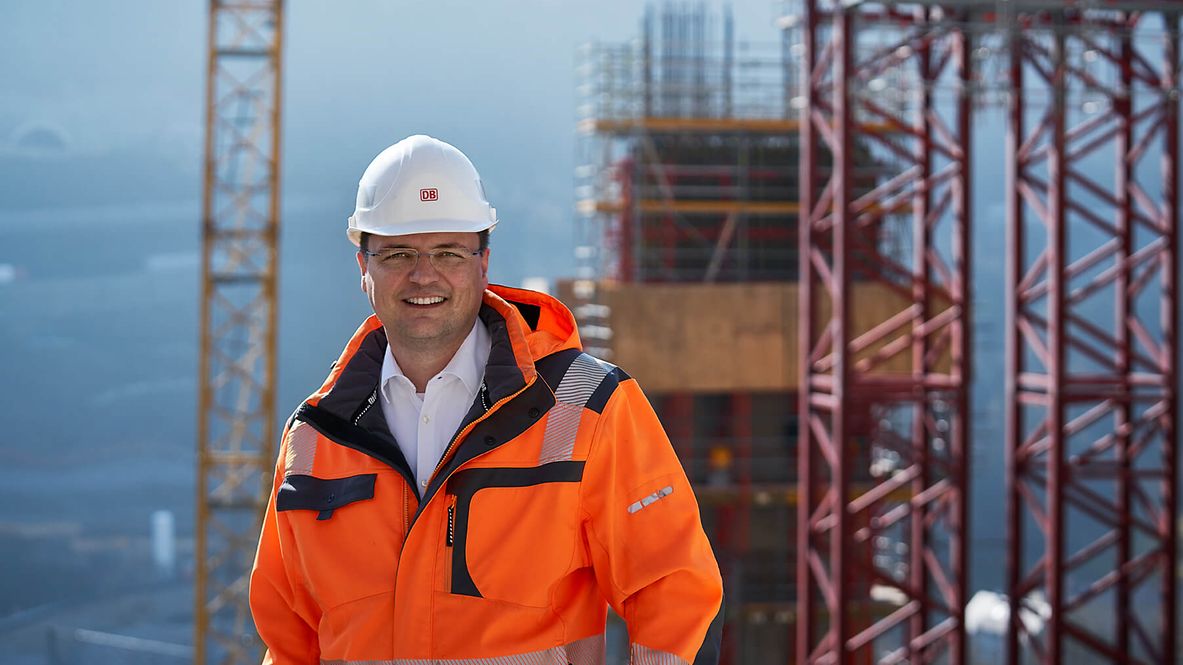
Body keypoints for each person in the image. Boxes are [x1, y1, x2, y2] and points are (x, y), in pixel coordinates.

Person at [249, 134, 723, 664]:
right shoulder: (315, 439)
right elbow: (289, 642)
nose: (423, 274)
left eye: (448, 253)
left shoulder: (585, 407)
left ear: (483, 262)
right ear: (364, 268)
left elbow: (673, 587)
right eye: (398, 253)